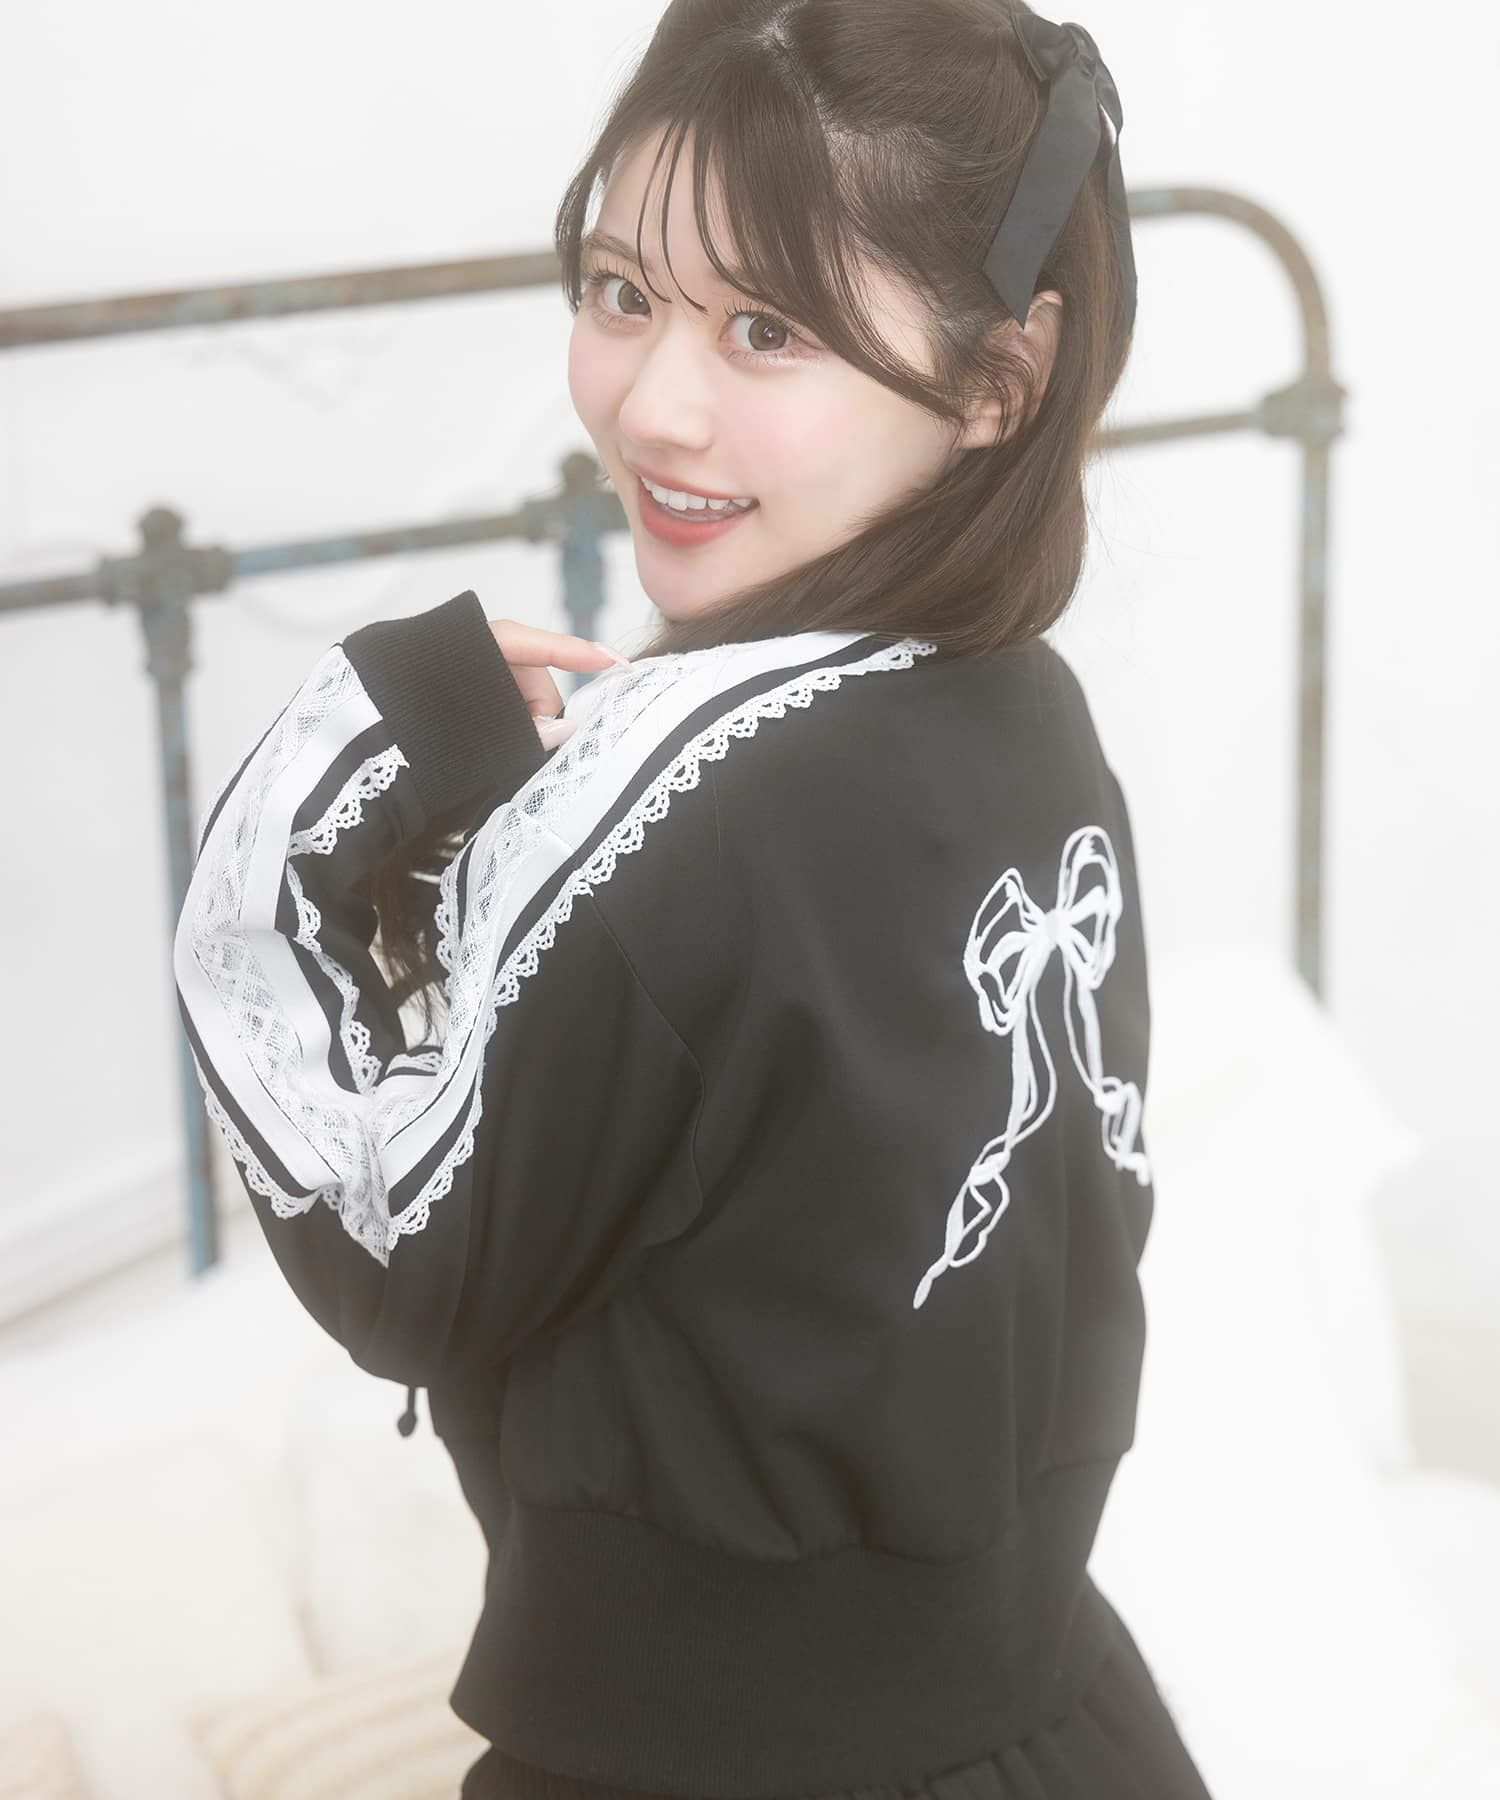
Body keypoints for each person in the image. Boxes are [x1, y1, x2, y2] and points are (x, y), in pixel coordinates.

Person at [173, 2, 1215, 1796]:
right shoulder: (1031, 715)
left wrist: (337, 765)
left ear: (999, 380)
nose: (654, 404)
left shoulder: (668, 796)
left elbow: (399, 1251)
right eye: (620, 291)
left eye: (768, 327)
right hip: (1063, 1731)